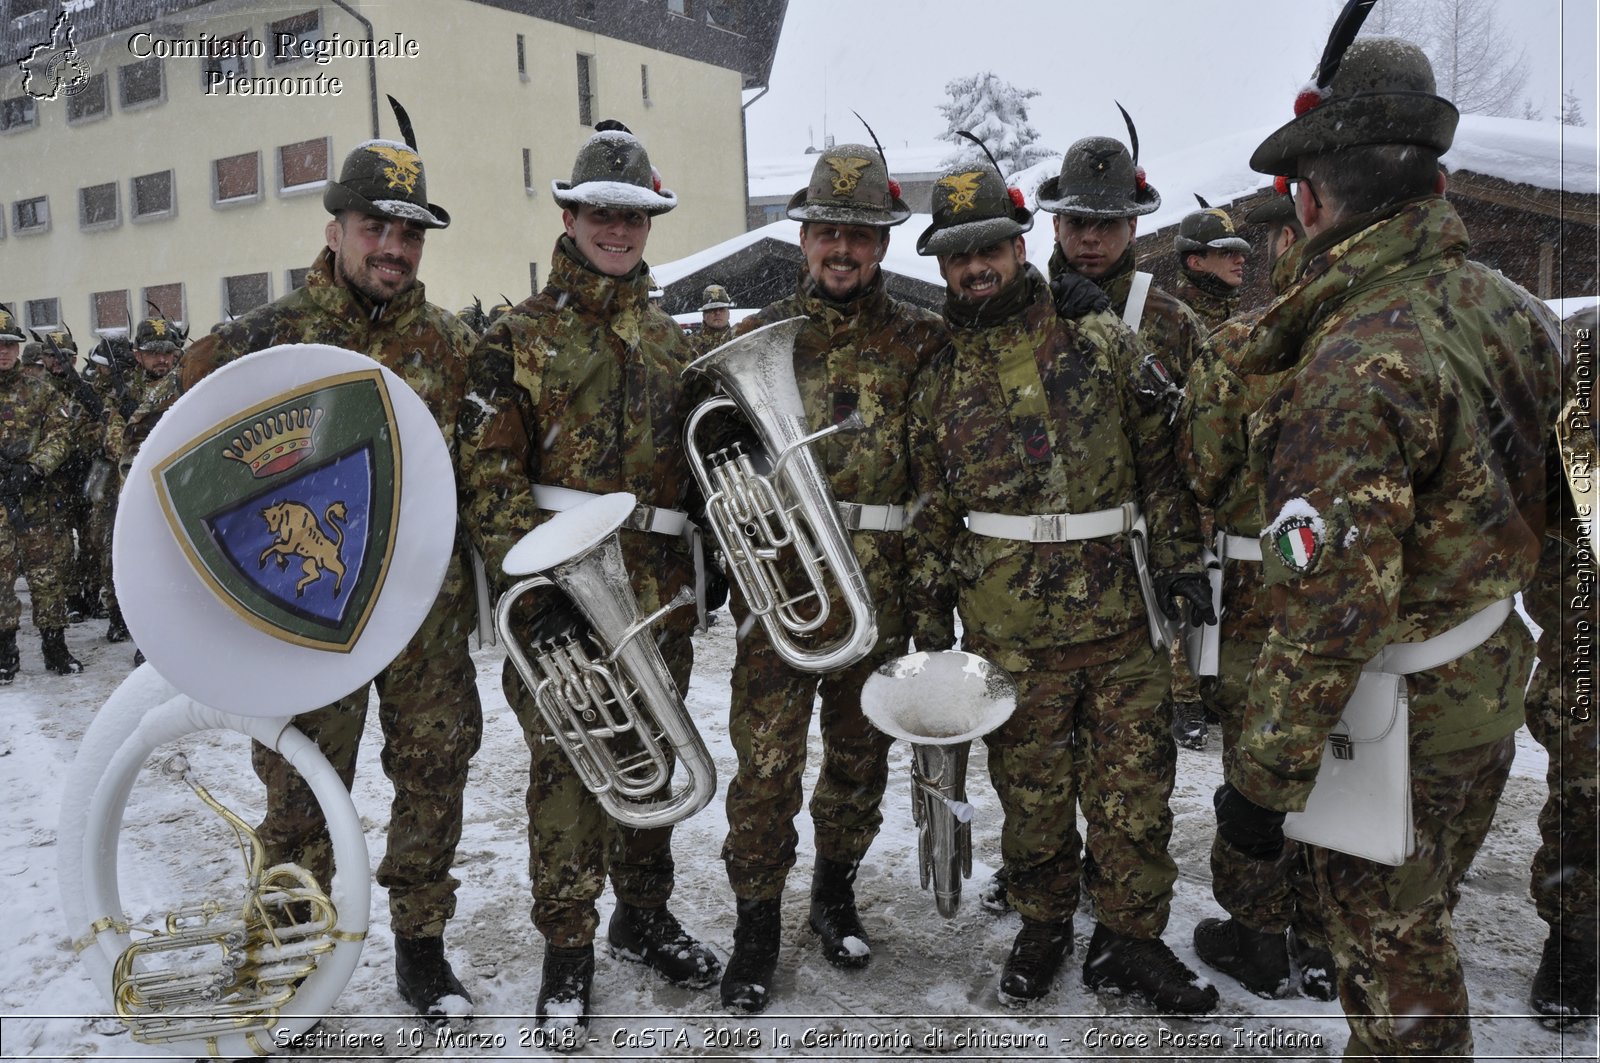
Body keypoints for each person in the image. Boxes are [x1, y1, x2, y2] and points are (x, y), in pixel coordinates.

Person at [1214, 27, 1564, 1058]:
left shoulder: (1353, 359)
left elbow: (1323, 599)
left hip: (1393, 718)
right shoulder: (1520, 314)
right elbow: (1571, 505)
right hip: (1484, 679)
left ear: (1308, 204)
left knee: (1393, 956)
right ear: (1439, 180)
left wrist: (1261, 781)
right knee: (1422, 916)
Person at [132, 118, 486, 1025]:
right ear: (334, 230)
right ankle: (288, 961)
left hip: (422, 610)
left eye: (411, 231)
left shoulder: (451, 346)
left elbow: (480, 472)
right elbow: (174, 465)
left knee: (433, 775)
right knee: (297, 797)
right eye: (376, 225)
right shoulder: (262, 342)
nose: (395, 246)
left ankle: (422, 950)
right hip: (303, 611)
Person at [905, 150, 1216, 1013]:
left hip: (1120, 618)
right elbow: (931, 509)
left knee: (1133, 794)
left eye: (989, 247)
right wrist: (929, 630)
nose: (975, 267)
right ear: (940, 262)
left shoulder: (1095, 334)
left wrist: (1182, 563)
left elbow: (1161, 463)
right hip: (1008, 629)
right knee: (1032, 798)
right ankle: (1044, 926)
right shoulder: (936, 375)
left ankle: (1131, 939)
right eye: (956, 253)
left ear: (1016, 244)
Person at [455, 120, 718, 1044]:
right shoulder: (513, 338)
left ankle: (642, 917)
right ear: (569, 213)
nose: (618, 227)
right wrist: (538, 592)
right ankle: (567, 952)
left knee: (652, 750)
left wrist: (710, 553)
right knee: (569, 770)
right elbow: (487, 480)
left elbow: (694, 468)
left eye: (635, 213)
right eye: (601, 211)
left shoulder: (669, 340)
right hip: (559, 595)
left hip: (656, 593)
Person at [715, 141, 949, 1014]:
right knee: (766, 766)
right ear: (803, 236)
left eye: (860, 233)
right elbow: (714, 470)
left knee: (858, 761)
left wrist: (929, 612)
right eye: (827, 232)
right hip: (780, 593)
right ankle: (755, 926)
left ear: (883, 242)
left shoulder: (922, 343)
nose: (842, 249)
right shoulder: (758, 338)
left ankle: (836, 894)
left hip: (879, 589)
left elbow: (935, 483)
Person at [1179, 189, 1335, 1002]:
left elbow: (1200, 468)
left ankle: (1257, 936)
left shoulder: (1241, 345)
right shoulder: (1405, 338)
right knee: (1350, 756)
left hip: (1258, 583)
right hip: (1371, 592)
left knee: (1259, 763)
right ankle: (1324, 935)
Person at [1037, 121, 1213, 753]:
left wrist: (1183, 560)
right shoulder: (1020, 312)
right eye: (1078, 220)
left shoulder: (1173, 322)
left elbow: (1200, 440)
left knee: (1129, 759)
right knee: (1039, 758)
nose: (1090, 237)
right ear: (1054, 224)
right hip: (1037, 570)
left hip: (1135, 570)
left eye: (1107, 223)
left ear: (1133, 227)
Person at [1522, 305, 1598, 1024]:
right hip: (1589, 628)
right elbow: (1568, 487)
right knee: (1585, 788)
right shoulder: (1585, 348)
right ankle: (1574, 940)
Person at [0, 304, 81, 680]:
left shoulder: (40, 390)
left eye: (9, 345)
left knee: (47, 578)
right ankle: (5, 652)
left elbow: (62, 434)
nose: (3, 351)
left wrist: (35, 468)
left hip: (35, 502)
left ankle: (55, 647)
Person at [31, 328, 106, 624]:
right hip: (55, 480)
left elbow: (103, 422)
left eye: (65, 356)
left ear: (75, 359)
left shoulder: (87, 389)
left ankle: (91, 596)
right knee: (60, 545)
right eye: (51, 356)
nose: (58, 362)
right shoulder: (36, 391)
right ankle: (72, 598)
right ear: (44, 359)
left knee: (92, 542)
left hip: (88, 476)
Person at [1172, 200, 1250, 331]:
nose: (1240, 259)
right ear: (1196, 263)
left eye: (1239, 253)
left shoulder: (1231, 311)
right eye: (1226, 253)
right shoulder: (1179, 326)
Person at [689, 283, 735, 356]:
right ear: (704, 315)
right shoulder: (691, 344)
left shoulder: (738, 336)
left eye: (722, 309)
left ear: (728, 313)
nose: (717, 313)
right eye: (712, 310)